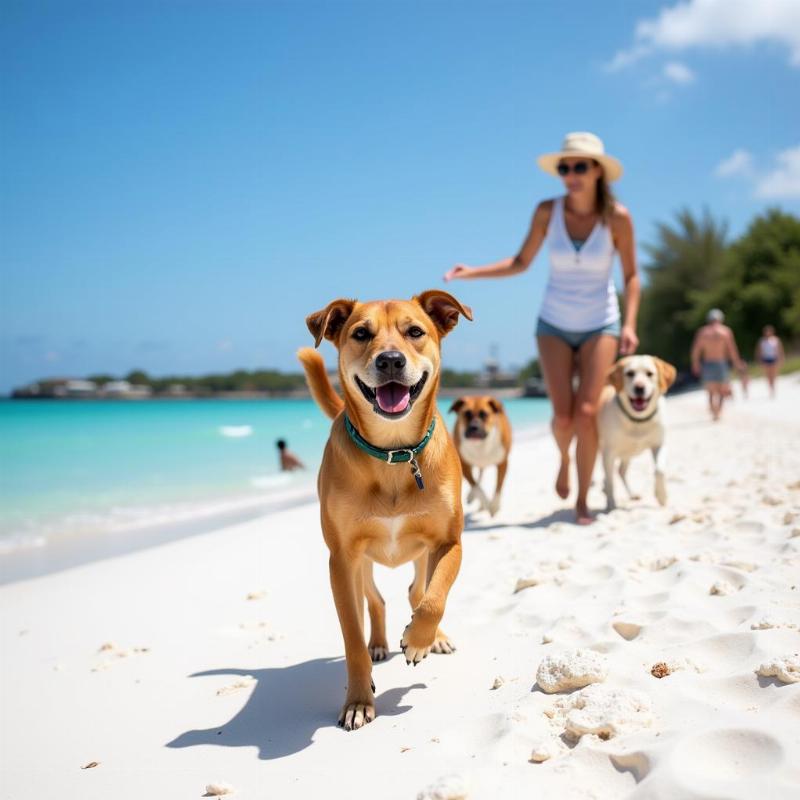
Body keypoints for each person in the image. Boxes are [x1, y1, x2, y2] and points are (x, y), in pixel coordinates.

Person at [444, 132, 640, 524]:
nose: (570, 174)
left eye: (579, 166)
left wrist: (630, 323)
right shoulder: (547, 212)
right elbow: (520, 262)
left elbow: (632, 276)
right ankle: (564, 457)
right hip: (553, 323)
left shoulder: (617, 217)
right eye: (564, 167)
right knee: (563, 419)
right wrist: (474, 273)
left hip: (601, 323)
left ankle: (583, 499)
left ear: (598, 171)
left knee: (587, 413)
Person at [690, 309, 744, 421]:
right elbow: (732, 349)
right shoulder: (725, 331)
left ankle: (713, 409)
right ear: (721, 319)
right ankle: (718, 410)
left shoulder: (703, 332)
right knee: (722, 389)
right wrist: (736, 363)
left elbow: (696, 350)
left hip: (708, 363)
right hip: (721, 362)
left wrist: (695, 363)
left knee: (710, 390)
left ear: (709, 319)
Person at [755, 325, 784, 397]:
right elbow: (759, 351)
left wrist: (781, 358)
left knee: (773, 374)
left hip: (773, 358)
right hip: (765, 359)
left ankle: (773, 387)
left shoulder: (776, 340)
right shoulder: (762, 341)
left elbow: (780, 350)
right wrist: (759, 360)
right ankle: (770, 388)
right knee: (768, 375)